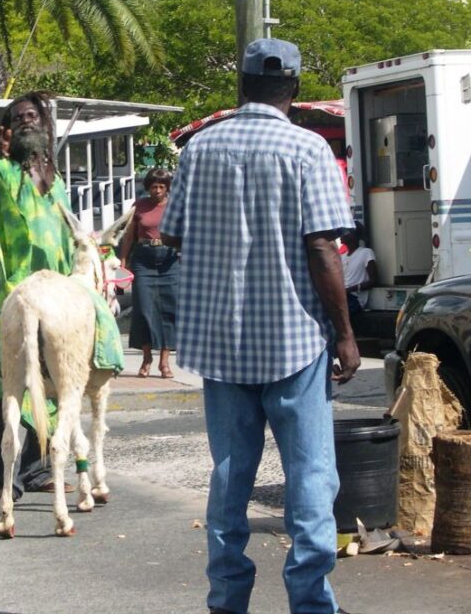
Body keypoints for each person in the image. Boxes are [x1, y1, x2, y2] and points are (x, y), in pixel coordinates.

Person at [160, 39, 360, 614]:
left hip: (220, 344)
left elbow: (171, 234)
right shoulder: (306, 150)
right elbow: (323, 245)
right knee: (310, 480)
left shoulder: (199, 149)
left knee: (229, 479)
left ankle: (227, 602)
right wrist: (345, 335)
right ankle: (312, 605)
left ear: (242, 86)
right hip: (294, 341)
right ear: (293, 90)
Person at [0, 91, 74, 508]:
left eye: (33, 115)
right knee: (4, 386)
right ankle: (3, 479)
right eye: (18, 117)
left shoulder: (57, 181)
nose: (27, 121)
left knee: (49, 382)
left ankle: (37, 470)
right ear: (7, 130)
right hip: (8, 297)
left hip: (53, 300)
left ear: (45, 124)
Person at [120, 167, 178, 379]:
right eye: (154, 186)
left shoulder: (174, 206)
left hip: (169, 260)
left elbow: (184, 233)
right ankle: (146, 359)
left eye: (162, 187)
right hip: (144, 259)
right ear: (148, 187)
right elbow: (128, 237)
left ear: (168, 188)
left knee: (168, 310)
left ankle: (164, 362)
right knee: (144, 310)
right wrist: (123, 262)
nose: (158, 191)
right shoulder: (139, 206)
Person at [340, 222, 377, 317]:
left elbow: (373, 280)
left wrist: (349, 289)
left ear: (355, 236)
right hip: (344, 296)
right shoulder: (342, 257)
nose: (342, 234)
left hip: (356, 298)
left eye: (346, 232)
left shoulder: (366, 252)